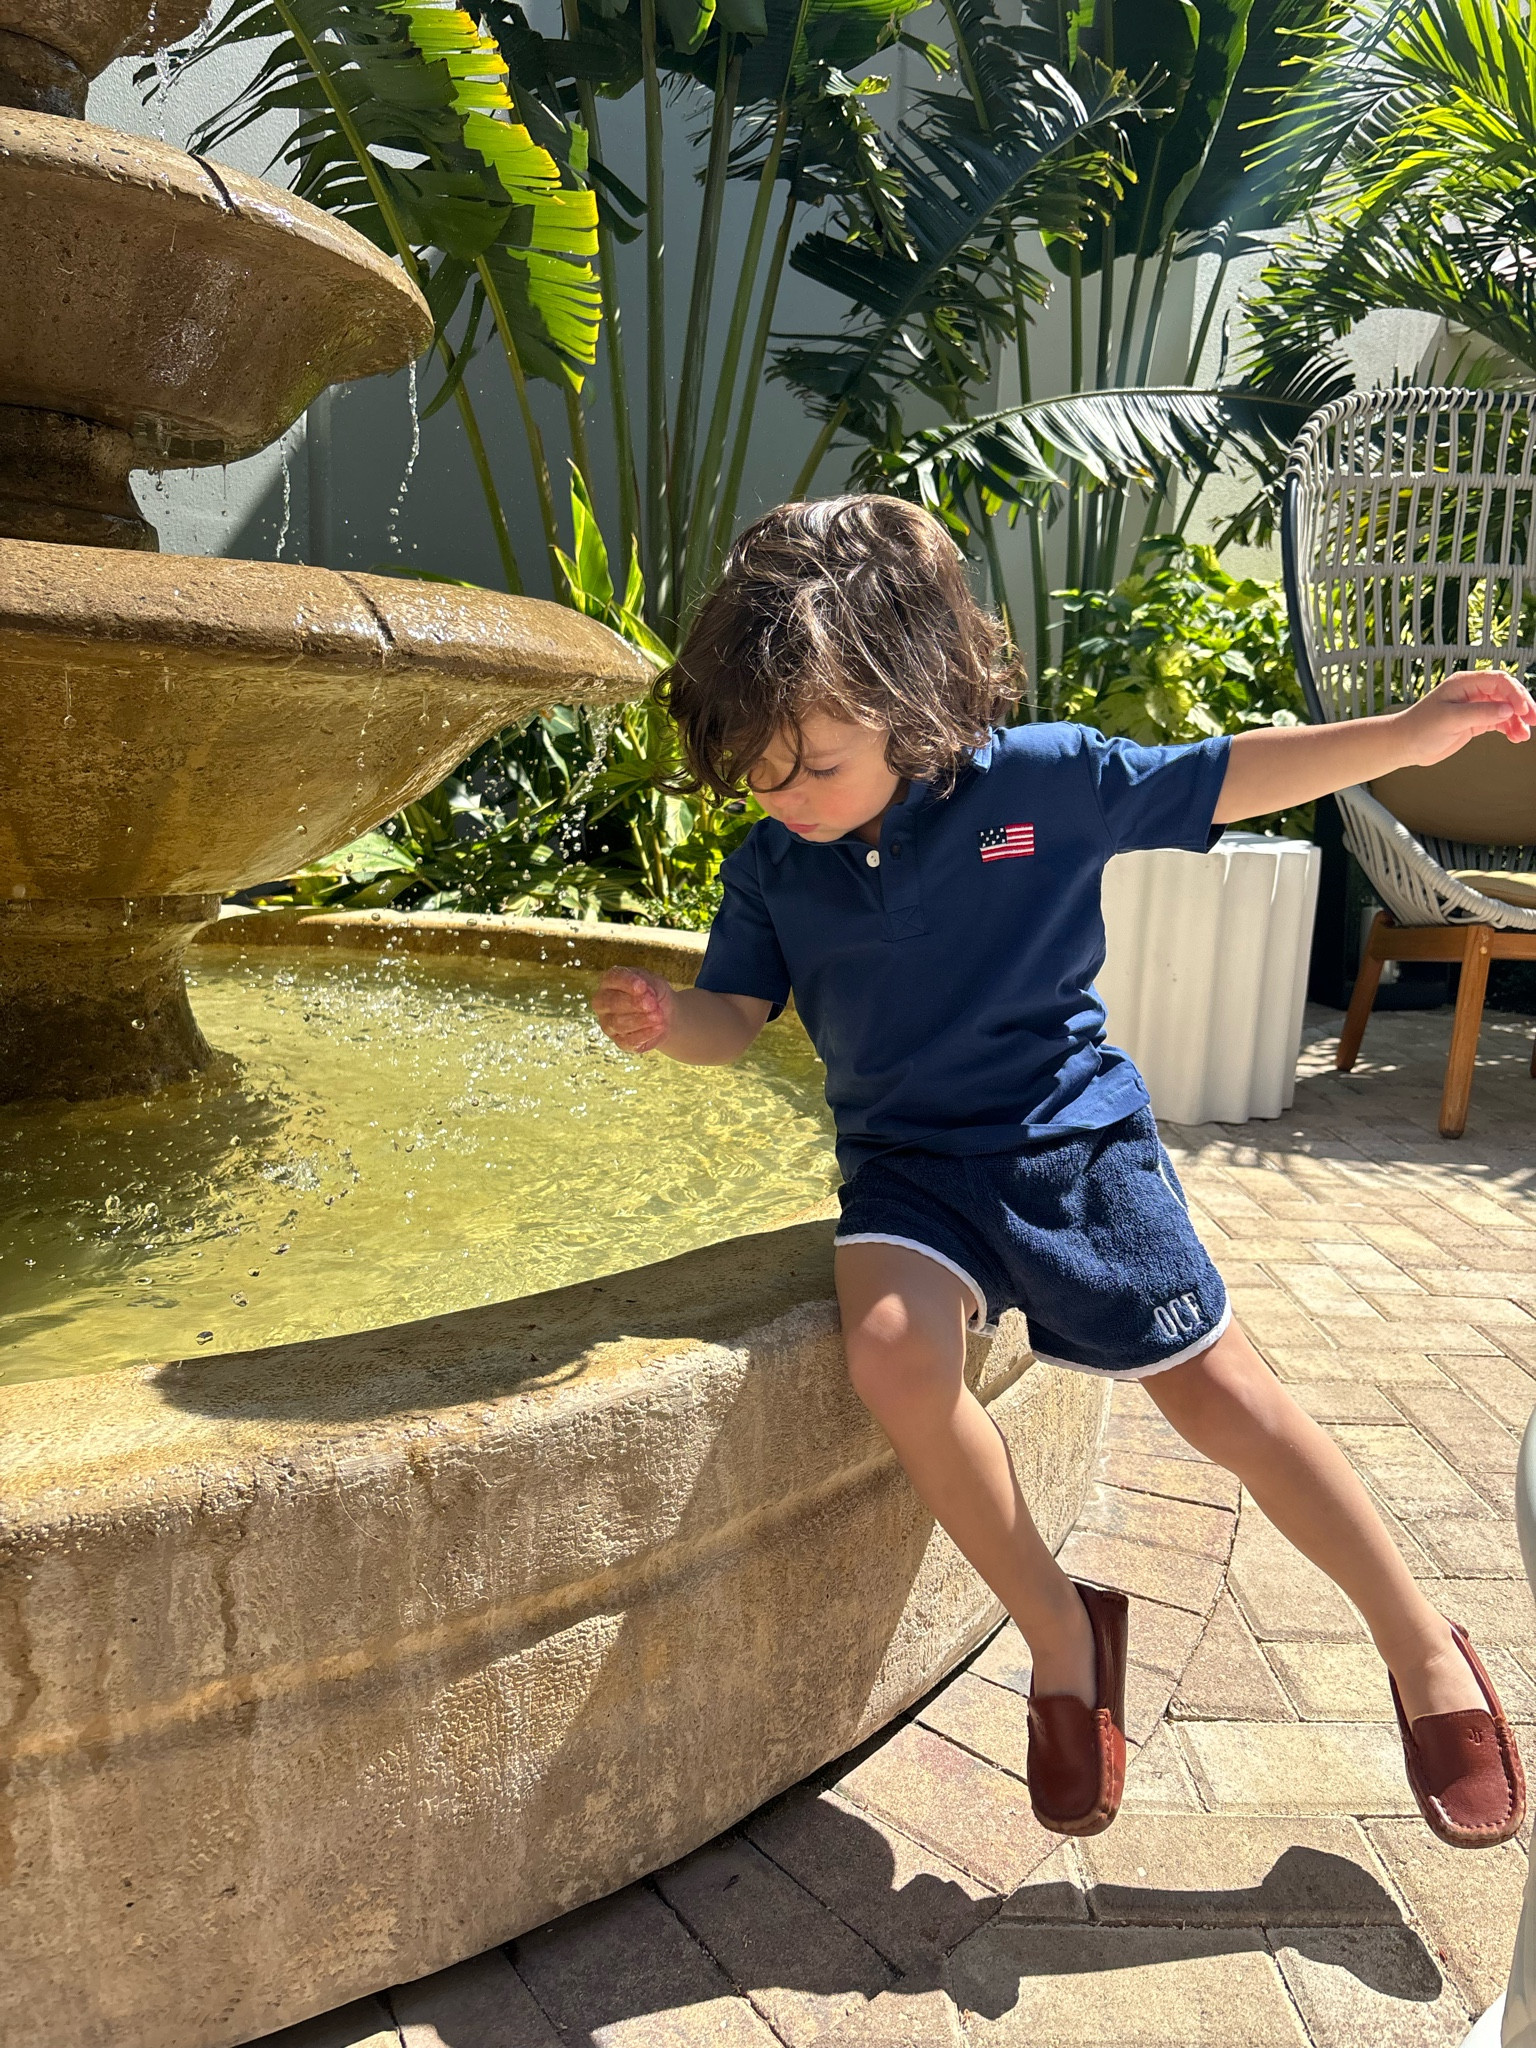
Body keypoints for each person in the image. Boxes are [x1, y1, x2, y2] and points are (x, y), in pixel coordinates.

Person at [589, 493, 1529, 1845]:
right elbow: (739, 1016)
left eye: (817, 761)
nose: (782, 793)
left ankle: (1421, 1643)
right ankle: (1062, 1633)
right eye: (758, 767)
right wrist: (671, 1022)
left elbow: (1225, 773)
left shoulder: (1035, 781)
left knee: (1226, 1401)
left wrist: (1411, 733)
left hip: (1071, 1139)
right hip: (910, 1171)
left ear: (908, 705)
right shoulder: (769, 870)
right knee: (894, 1360)